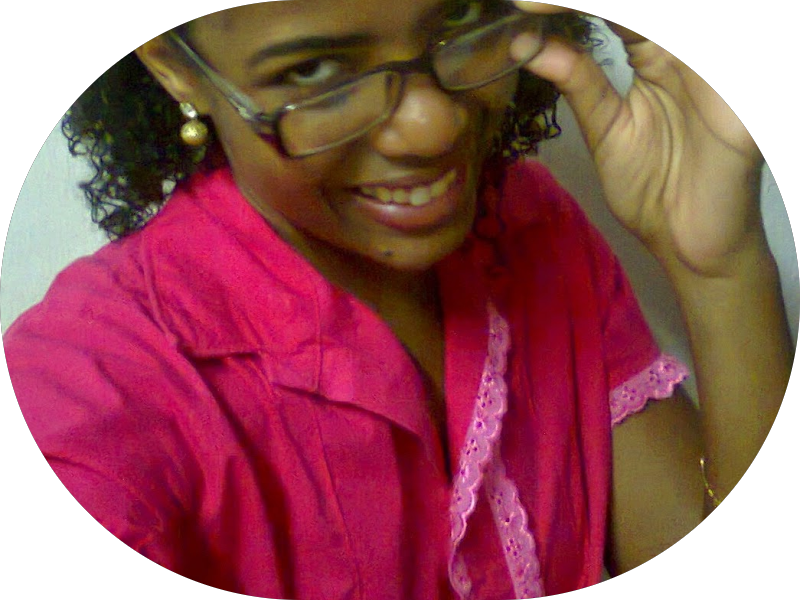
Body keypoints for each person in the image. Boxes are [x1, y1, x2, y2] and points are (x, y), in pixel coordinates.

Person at [5, 1, 791, 598]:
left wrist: (720, 269)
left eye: (462, 20)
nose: (433, 125)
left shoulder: (529, 222)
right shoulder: (95, 392)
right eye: (316, 71)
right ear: (175, 67)